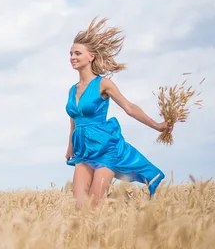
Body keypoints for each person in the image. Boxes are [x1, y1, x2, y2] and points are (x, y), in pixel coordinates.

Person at [65, 17, 172, 209]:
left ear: (91, 57)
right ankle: (121, 204)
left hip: (105, 148)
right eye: (71, 53)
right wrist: (69, 146)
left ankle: (121, 209)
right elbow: (73, 120)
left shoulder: (103, 84)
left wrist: (158, 126)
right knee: (80, 208)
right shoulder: (72, 90)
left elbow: (129, 108)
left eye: (77, 53)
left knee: (94, 204)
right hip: (82, 149)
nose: (72, 57)